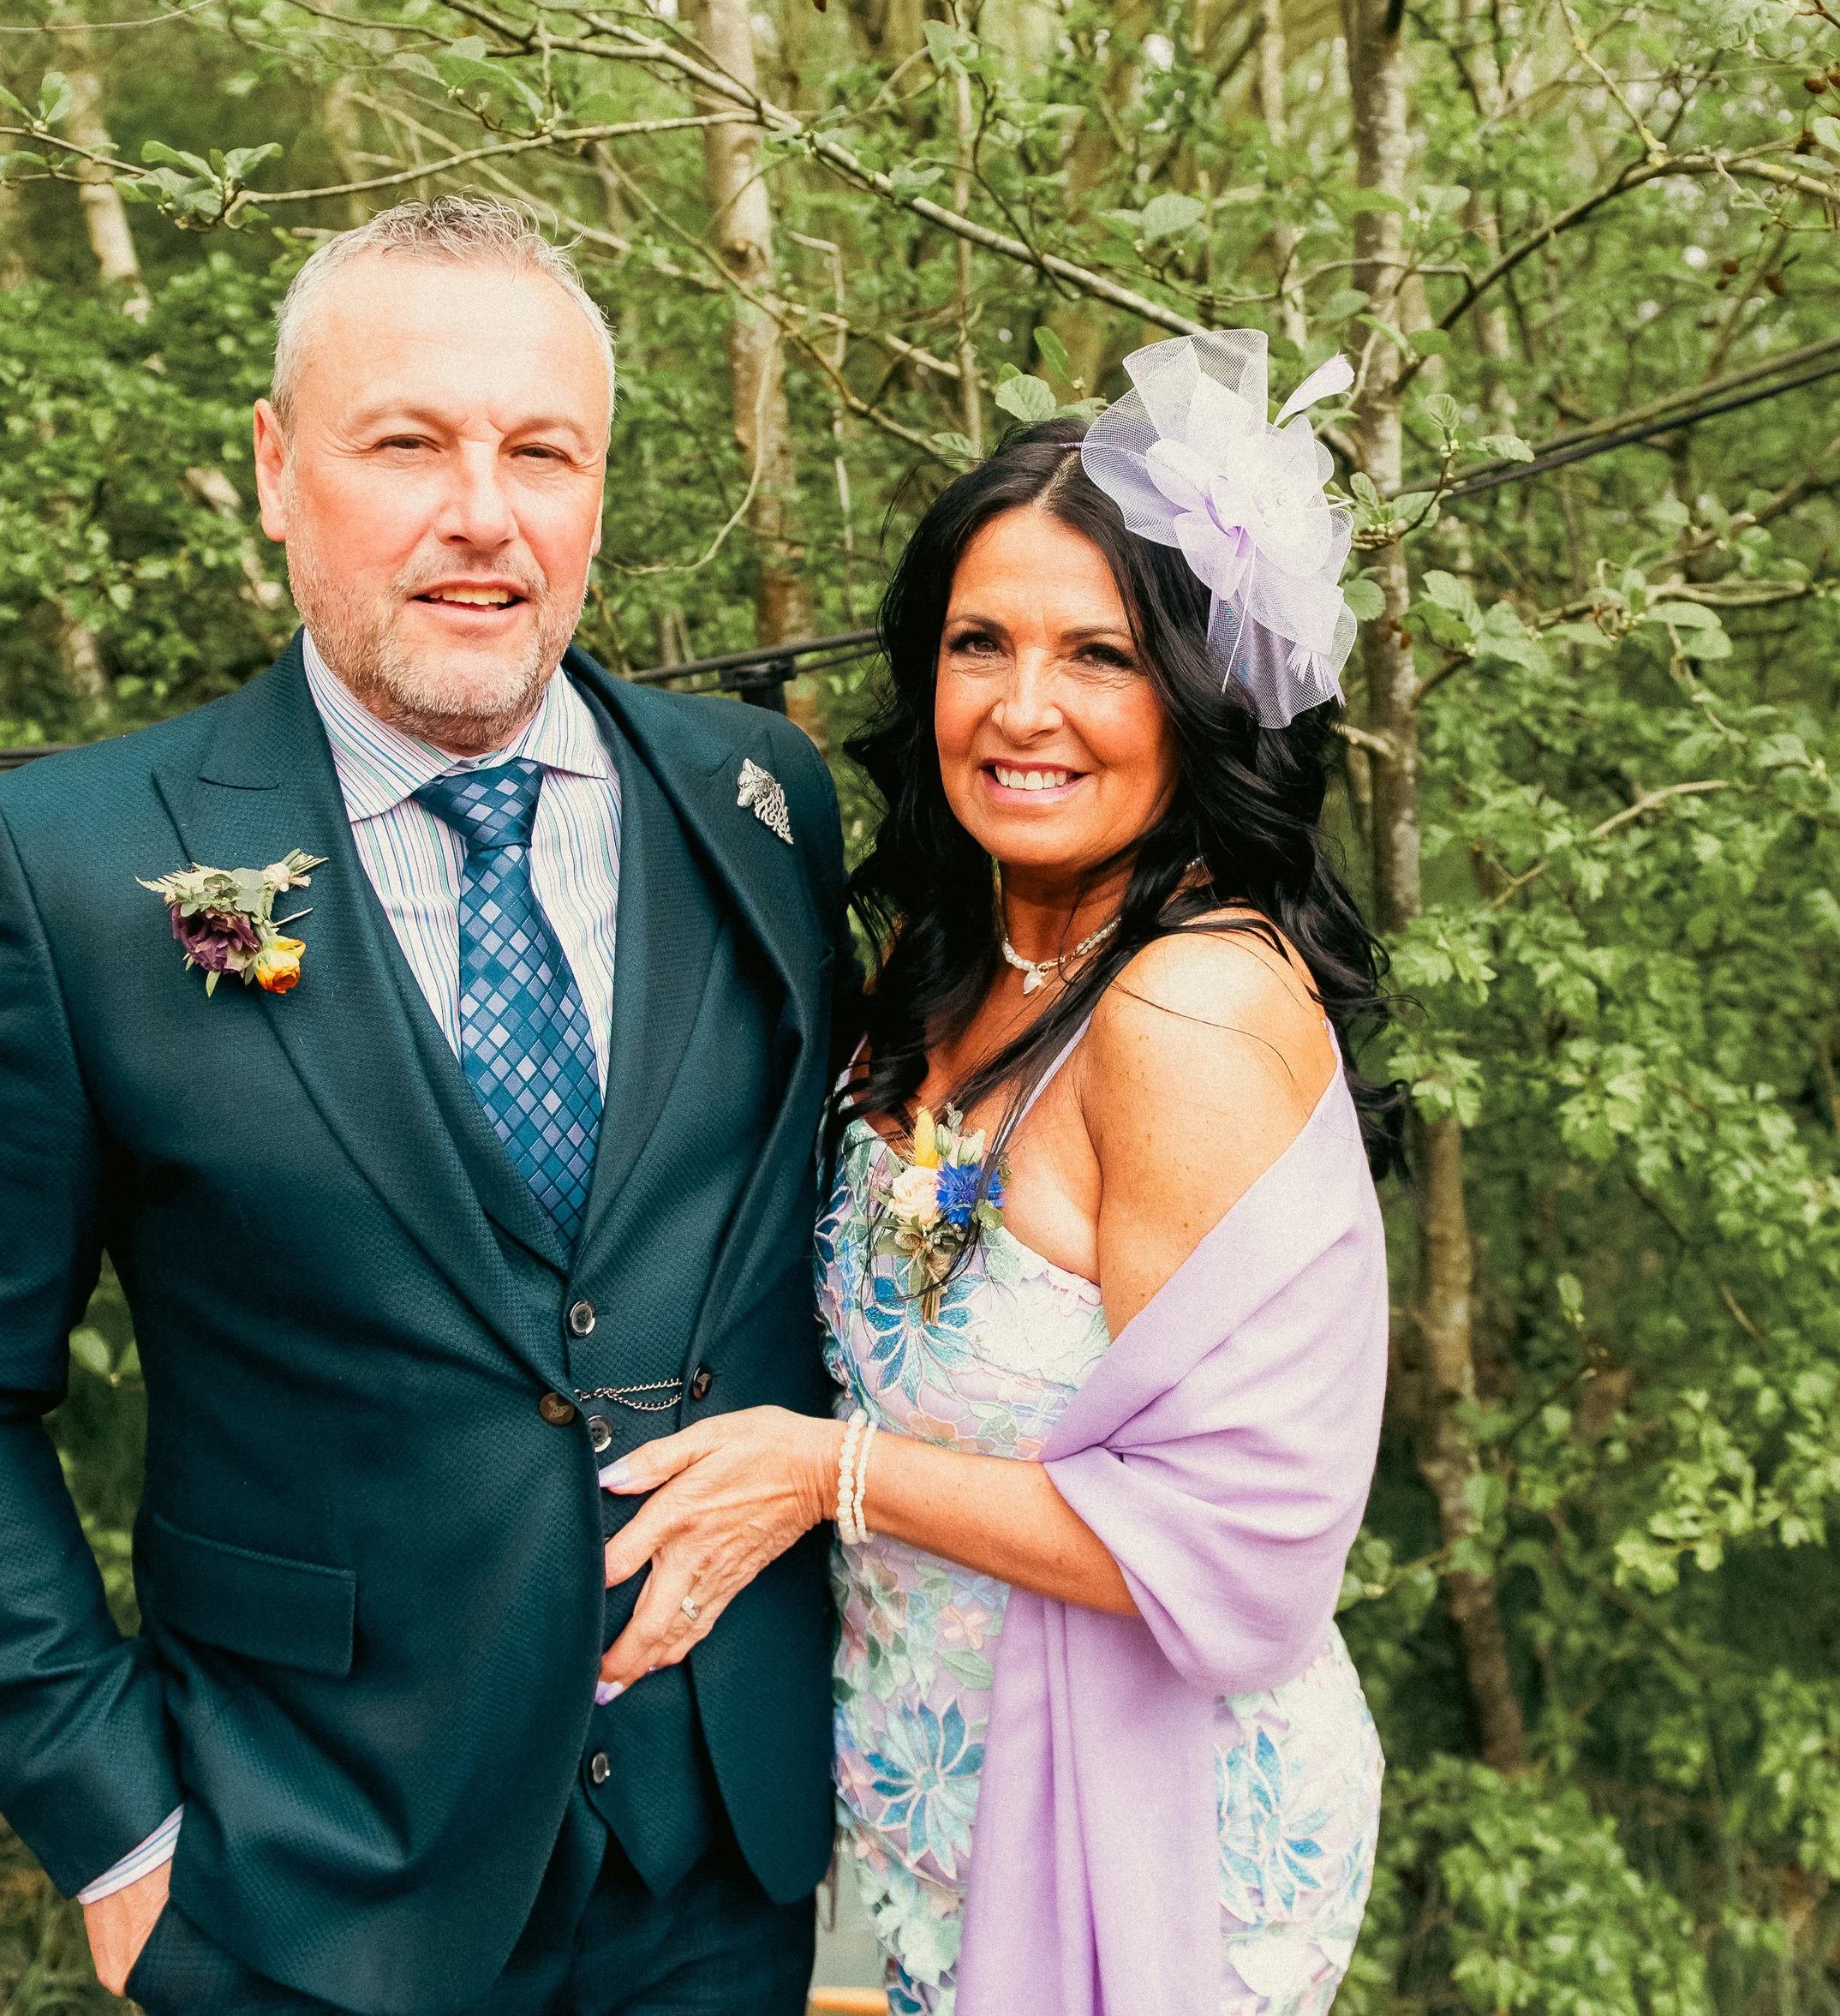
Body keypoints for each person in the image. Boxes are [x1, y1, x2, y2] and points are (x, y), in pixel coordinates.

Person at [0, 196, 852, 2016]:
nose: (483, 512)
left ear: (598, 489)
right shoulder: (78, 870)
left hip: (729, 1869)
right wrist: (117, 1835)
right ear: (279, 470)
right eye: (408, 444)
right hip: (307, 1890)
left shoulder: (758, 802)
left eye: (540, 450)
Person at [590, 332, 1397, 2015]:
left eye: (1095, 654)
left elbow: (1242, 1565)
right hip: (935, 1797)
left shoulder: (1185, 1011)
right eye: (978, 644)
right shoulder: (959, 972)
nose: (1020, 707)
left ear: (1199, 696)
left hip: (1151, 1826)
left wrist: (832, 1476)